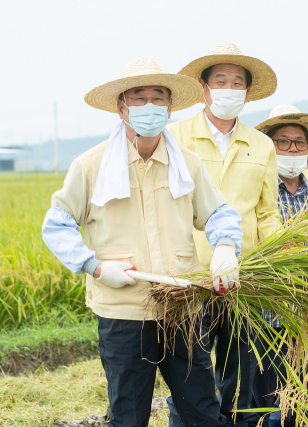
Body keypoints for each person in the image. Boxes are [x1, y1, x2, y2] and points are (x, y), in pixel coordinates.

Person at [41, 57, 244, 427]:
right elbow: (57, 224)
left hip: (181, 310)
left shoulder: (187, 163)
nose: (149, 106)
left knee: (202, 411)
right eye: (139, 98)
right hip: (123, 313)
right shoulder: (91, 166)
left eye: (157, 98)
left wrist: (226, 247)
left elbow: (219, 214)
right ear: (122, 108)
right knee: (129, 415)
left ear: (169, 107)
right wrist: (96, 267)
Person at [167, 42, 280, 427]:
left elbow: (267, 213)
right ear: (204, 86)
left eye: (237, 83)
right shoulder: (176, 137)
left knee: (238, 378)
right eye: (221, 81)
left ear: (247, 92)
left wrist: (277, 258)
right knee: (189, 378)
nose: (229, 89)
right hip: (189, 276)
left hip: (243, 276)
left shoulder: (262, 144)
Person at [253, 105, 308, 427]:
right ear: (269, 148)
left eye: (299, 143)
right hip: (265, 315)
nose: (292, 149)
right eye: (283, 142)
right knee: (265, 405)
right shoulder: (256, 196)